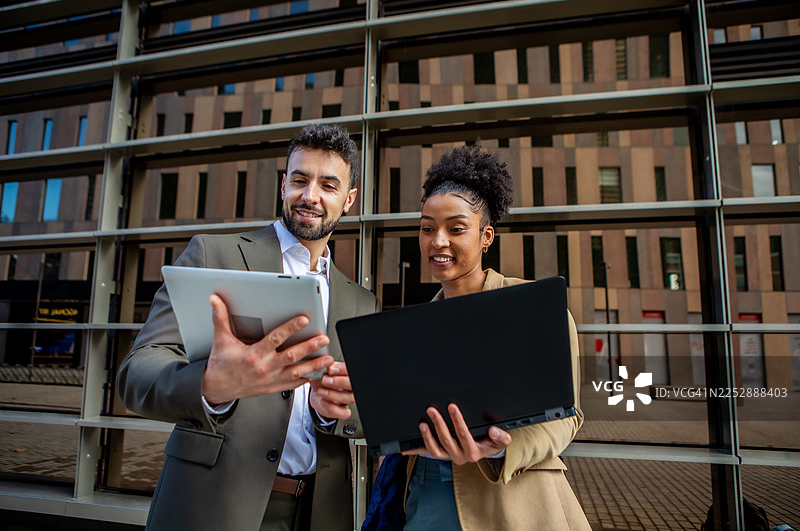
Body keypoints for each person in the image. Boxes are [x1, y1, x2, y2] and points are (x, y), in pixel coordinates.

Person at [117, 123, 379, 531]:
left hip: (318, 513)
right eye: (299, 180)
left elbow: (369, 409)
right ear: (282, 186)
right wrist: (209, 387)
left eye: (328, 185)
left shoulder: (362, 301)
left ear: (349, 200)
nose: (310, 196)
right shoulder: (212, 254)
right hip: (213, 505)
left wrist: (332, 414)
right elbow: (136, 373)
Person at [403, 143, 591, 530]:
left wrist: (502, 450)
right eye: (427, 229)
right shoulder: (413, 327)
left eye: (456, 229)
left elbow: (566, 417)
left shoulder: (533, 309)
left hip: (512, 500)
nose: (438, 241)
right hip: (424, 500)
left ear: (486, 235)